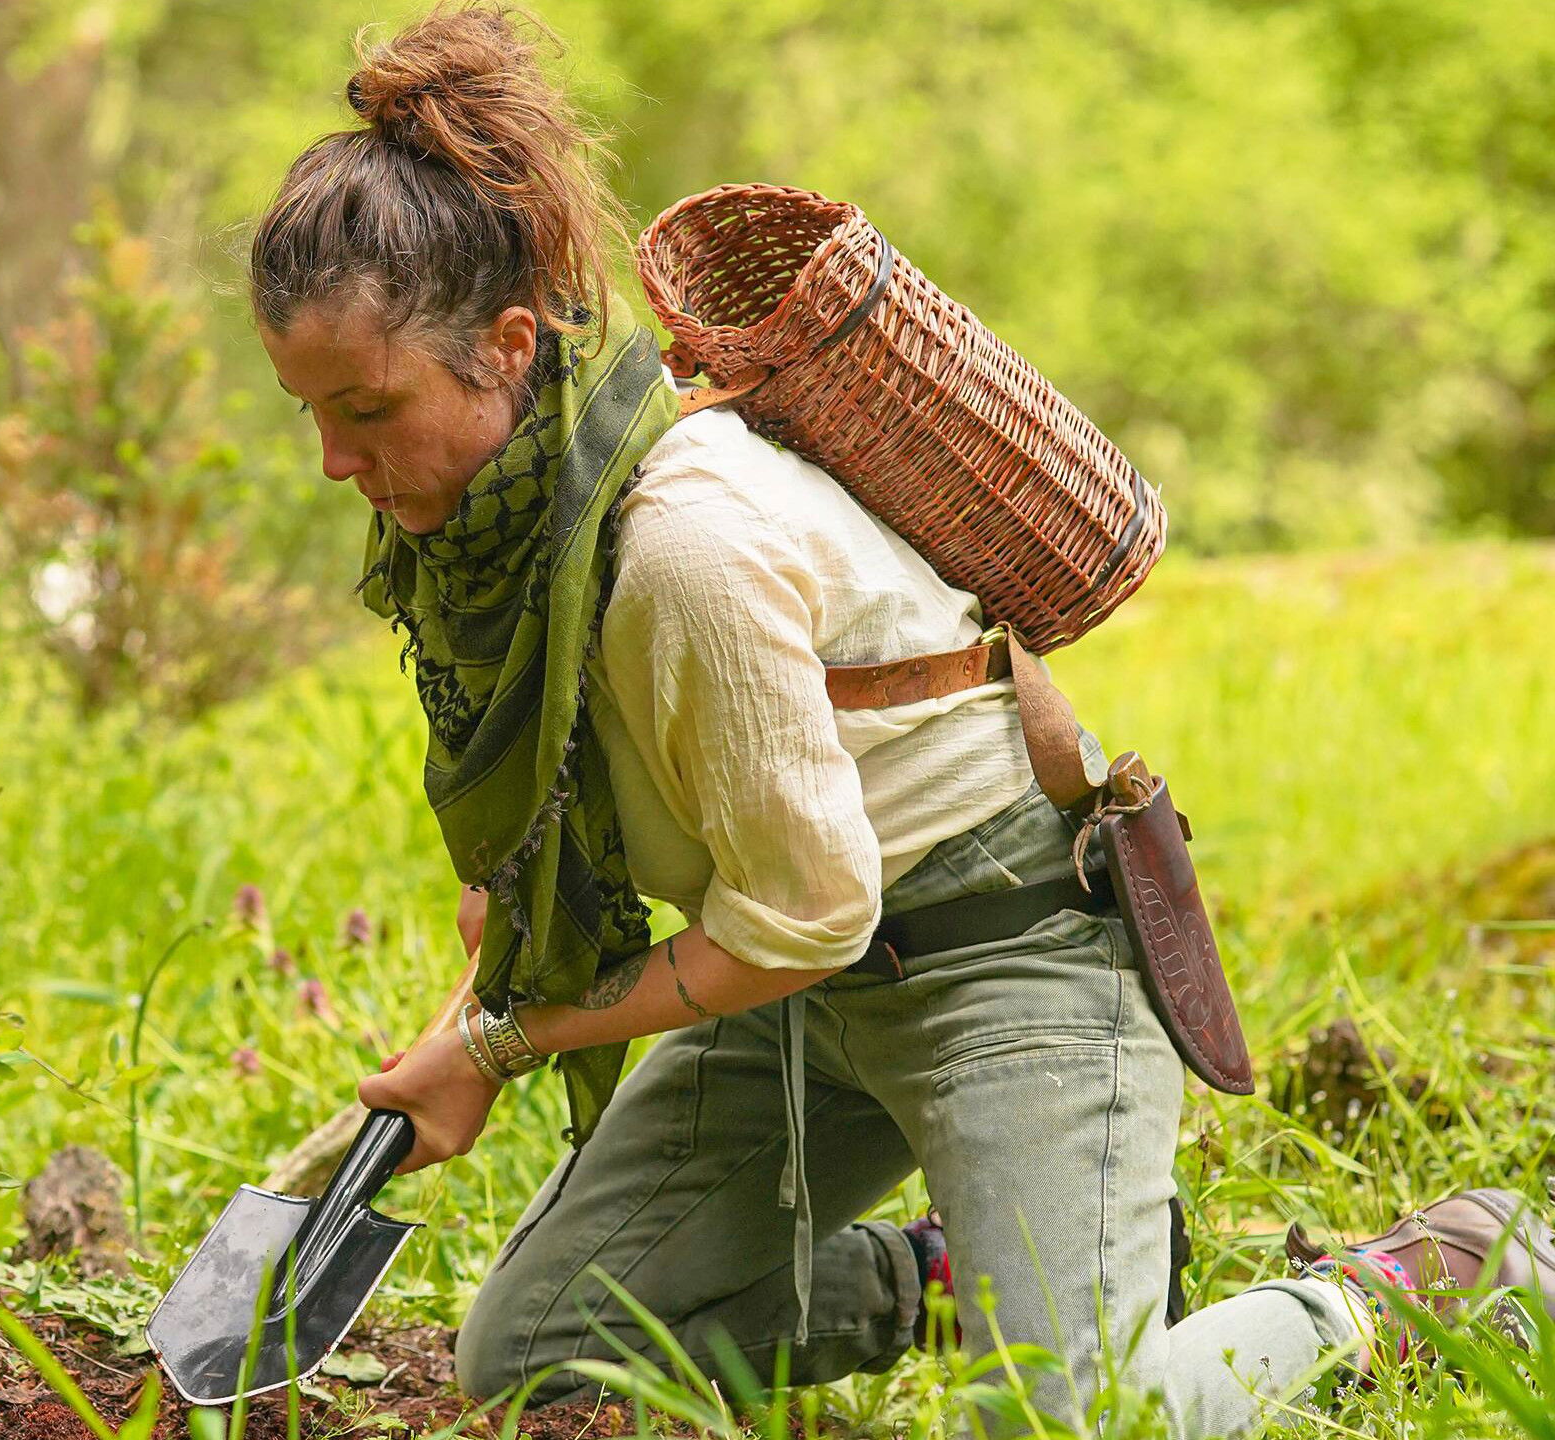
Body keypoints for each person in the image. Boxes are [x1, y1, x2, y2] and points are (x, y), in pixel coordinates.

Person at [244, 6, 1554, 1437]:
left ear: (507, 347)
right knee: (542, 1348)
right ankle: (954, 1278)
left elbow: (803, 915)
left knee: (1068, 1425)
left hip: (1002, 952)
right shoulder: (506, 539)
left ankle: (1410, 1281)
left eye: (367, 409)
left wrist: (499, 1047)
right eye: (313, 414)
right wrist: (486, 997)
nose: (336, 461)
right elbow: (593, 843)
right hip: (806, 992)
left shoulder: (683, 548)